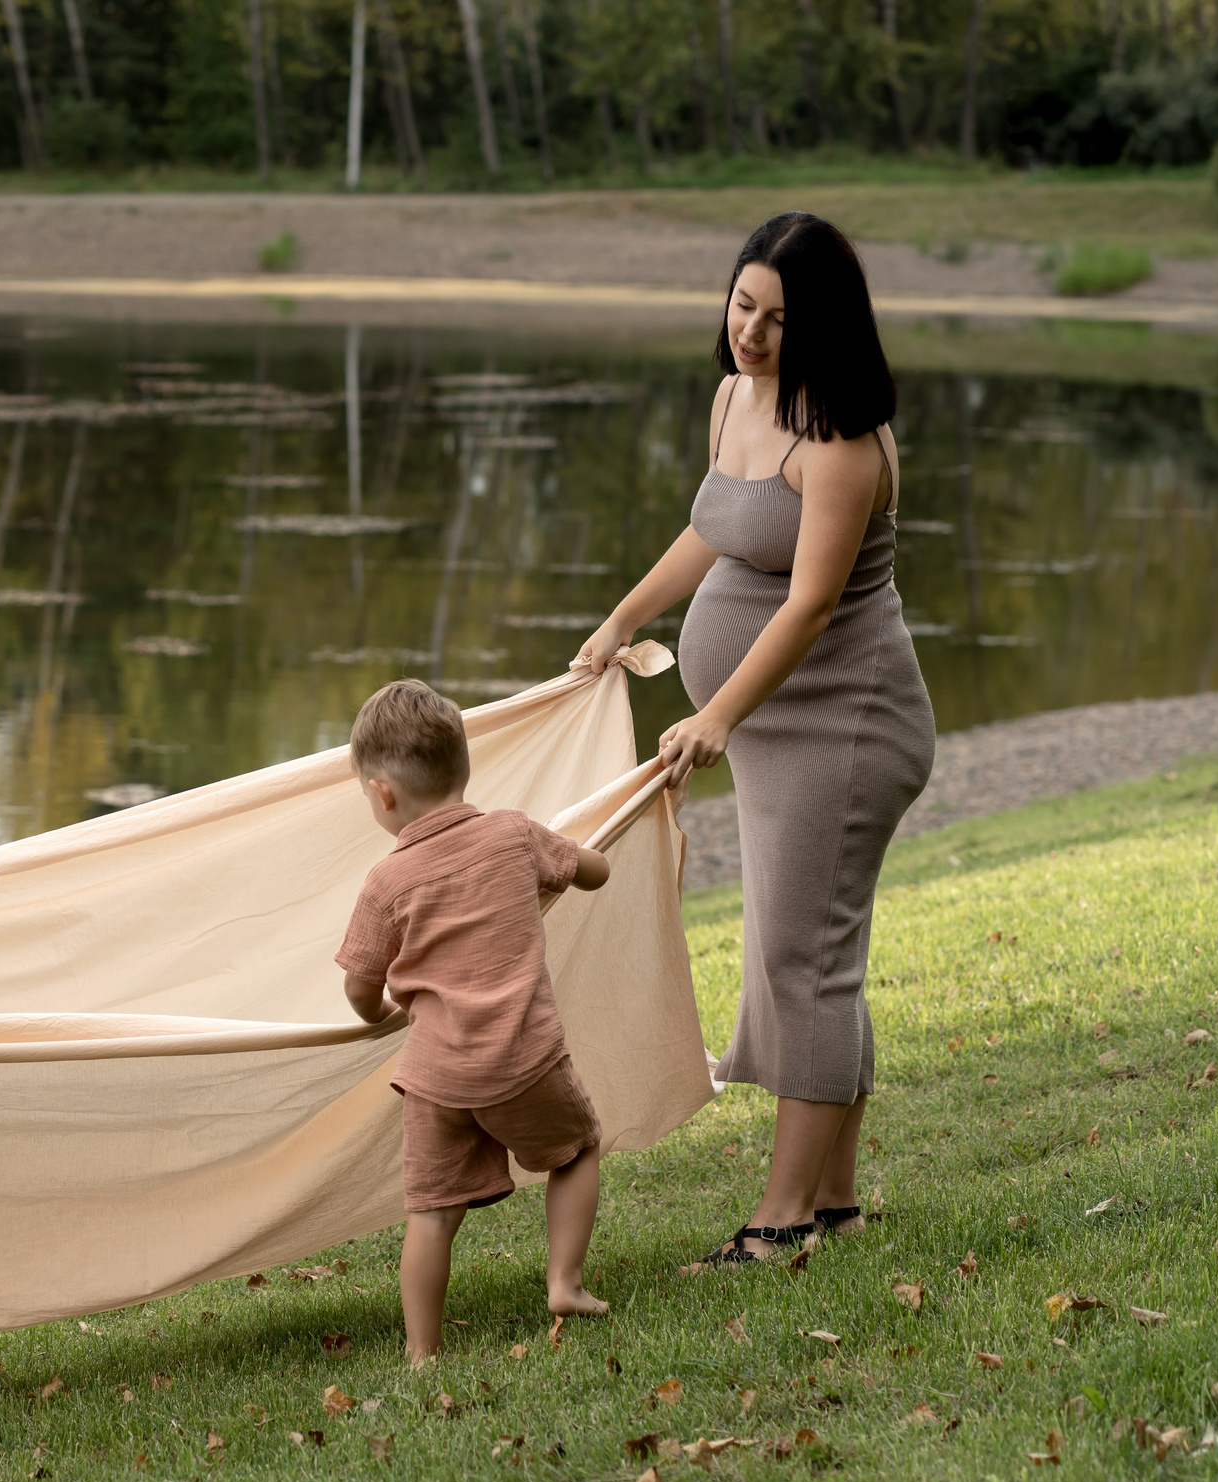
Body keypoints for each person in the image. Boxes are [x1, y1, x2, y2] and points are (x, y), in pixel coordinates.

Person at [571, 211, 933, 1268]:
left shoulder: (844, 443)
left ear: (821, 327)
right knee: (807, 955)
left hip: (844, 725)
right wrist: (622, 617)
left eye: (777, 319)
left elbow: (813, 603)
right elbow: (712, 525)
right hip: (780, 727)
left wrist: (719, 711)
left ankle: (779, 1225)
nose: (751, 334)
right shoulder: (734, 397)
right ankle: (833, 1204)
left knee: (799, 962)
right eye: (742, 305)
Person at [333, 680, 614, 1364]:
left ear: (383, 794)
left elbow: (360, 986)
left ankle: (423, 1351)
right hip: (525, 1057)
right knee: (576, 1151)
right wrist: (571, 864)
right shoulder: (513, 833)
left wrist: (379, 1014)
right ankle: (564, 1282)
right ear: (463, 767)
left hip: (434, 1076)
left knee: (430, 1213)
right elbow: (595, 870)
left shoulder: (385, 882)